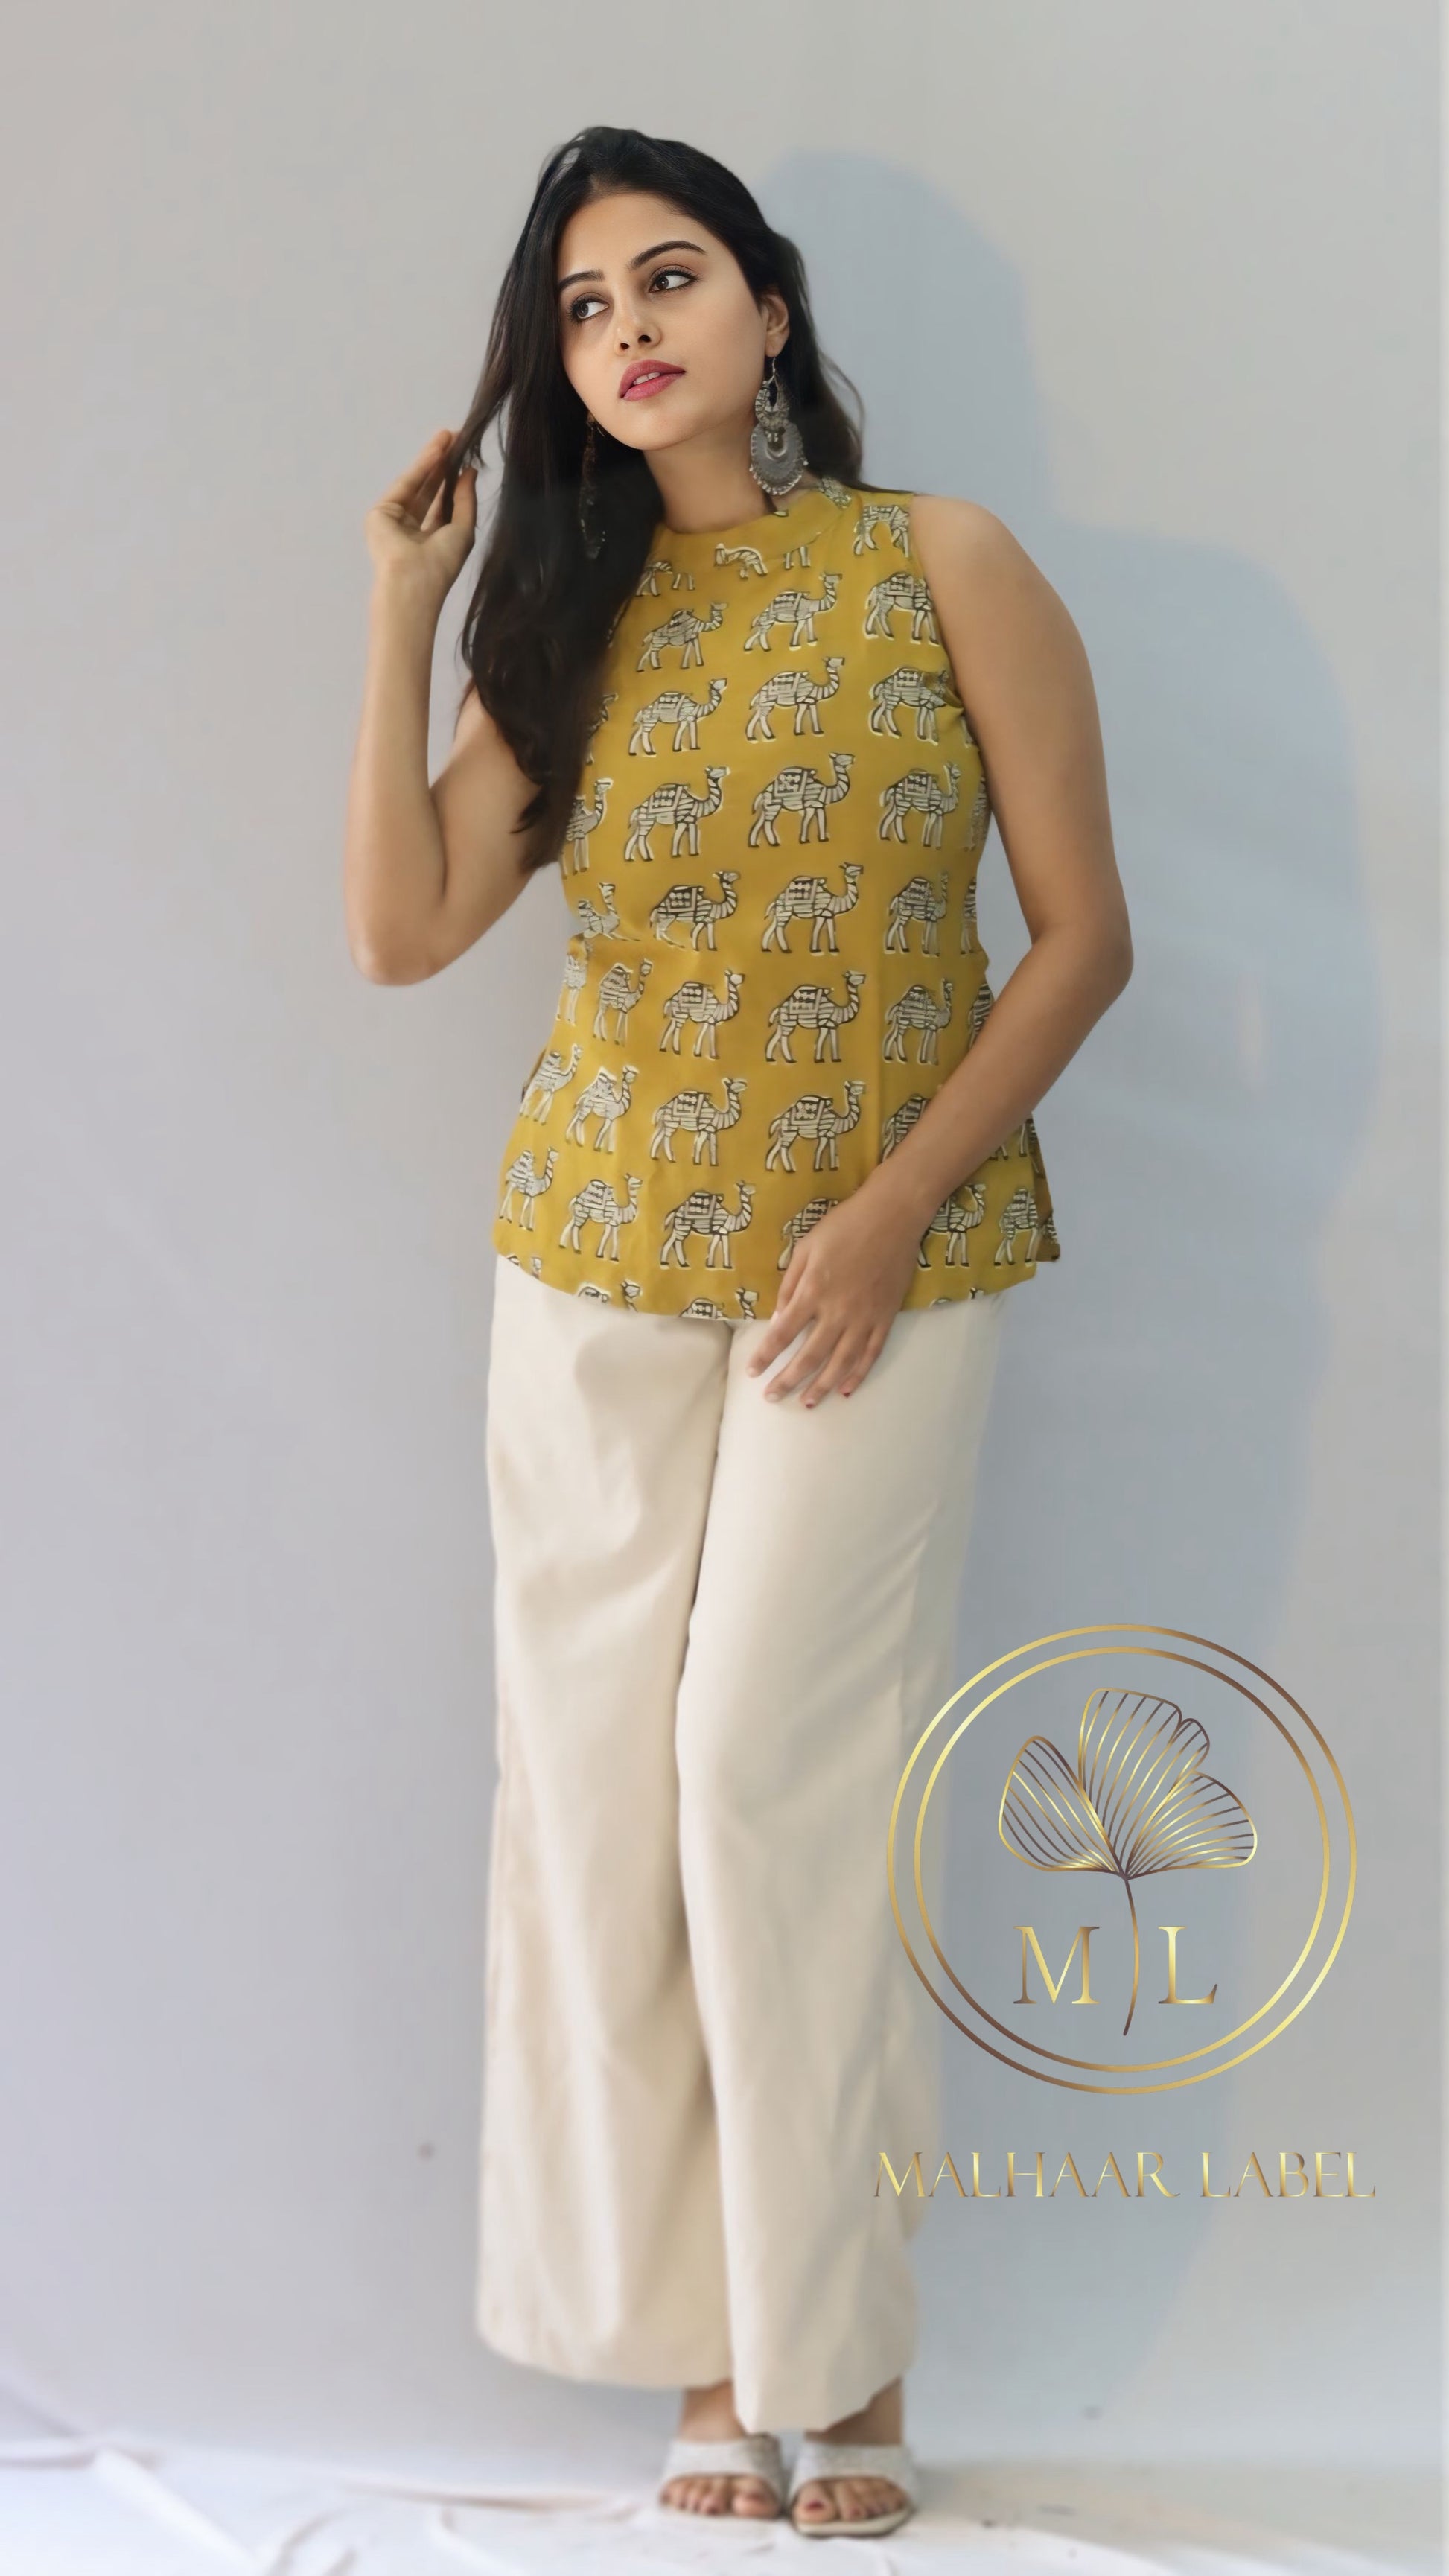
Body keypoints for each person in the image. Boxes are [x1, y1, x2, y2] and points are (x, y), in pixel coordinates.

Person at [343, 124, 1131, 2543]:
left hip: (872, 1277)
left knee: (763, 1771)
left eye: (666, 279)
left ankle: (842, 2355)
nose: (626, 333)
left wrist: (888, 1213)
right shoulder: (567, 626)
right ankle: (712, 2355)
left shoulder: (938, 564)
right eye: (581, 311)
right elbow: (405, 930)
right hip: (591, 1271)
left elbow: (1081, 935)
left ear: (768, 310)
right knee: (605, 1807)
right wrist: (404, 613)